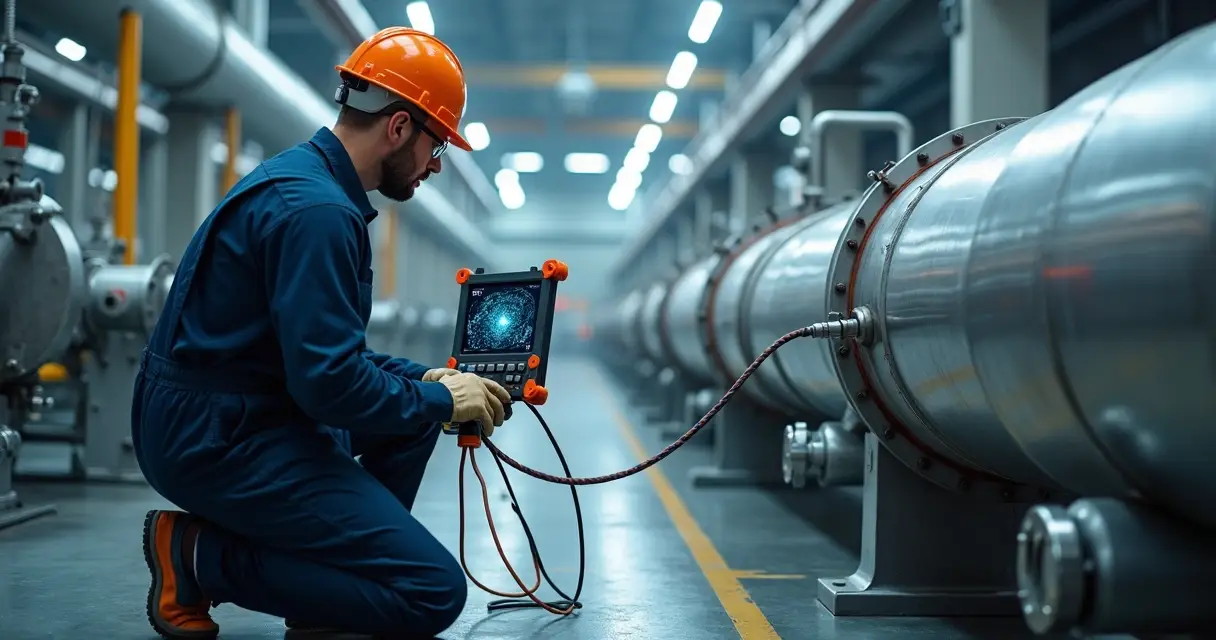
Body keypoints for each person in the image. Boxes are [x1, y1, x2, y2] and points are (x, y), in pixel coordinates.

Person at [132, 27, 510, 639]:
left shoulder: (307, 182)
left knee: (412, 417)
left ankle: (330, 602)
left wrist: (425, 381)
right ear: (398, 128)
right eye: (435, 146)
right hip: (214, 435)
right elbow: (329, 386)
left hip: (226, 411)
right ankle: (199, 559)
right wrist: (442, 400)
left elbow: (326, 355)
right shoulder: (319, 214)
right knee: (431, 592)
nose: (434, 167)